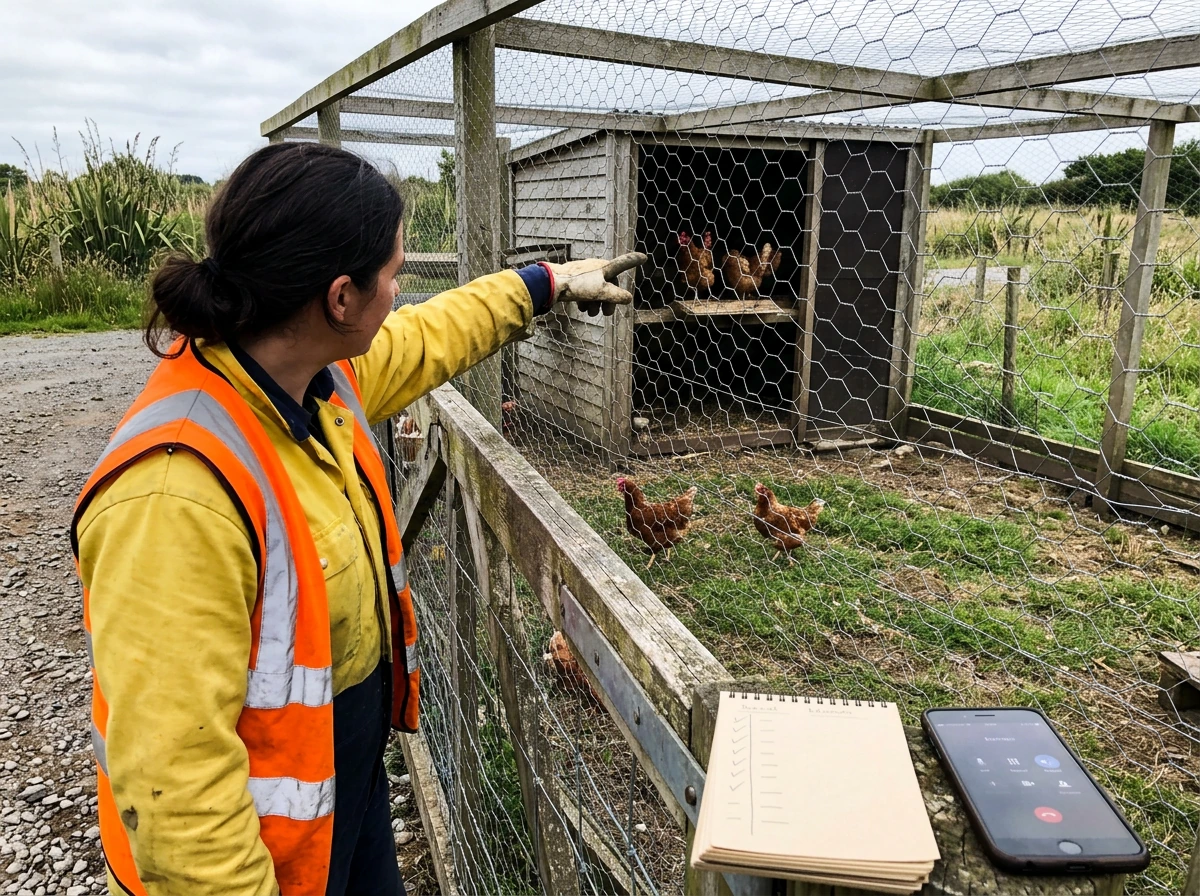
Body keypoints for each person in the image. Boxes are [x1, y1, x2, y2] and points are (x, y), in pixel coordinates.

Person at [71, 142, 642, 896]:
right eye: (395, 274)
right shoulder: (176, 497)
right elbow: (176, 795)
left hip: (341, 777)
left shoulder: (308, 374)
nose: (400, 293)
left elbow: (430, 335)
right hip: (261, 849)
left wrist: (548, 283)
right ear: (341, 299)